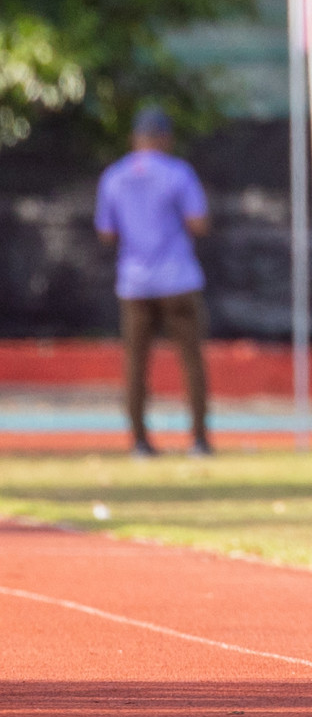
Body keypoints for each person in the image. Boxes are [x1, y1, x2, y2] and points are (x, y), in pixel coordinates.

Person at [94, 106, 212, 458]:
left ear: (134, 138)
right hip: (178, 279)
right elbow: (198, 223)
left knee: (135, 363)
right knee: (191, 360)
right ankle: (199, 439)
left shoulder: (114, 177)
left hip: (135, 282)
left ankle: (140, 441)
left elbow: (106, 232)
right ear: (165, 139)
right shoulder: (178, 173)